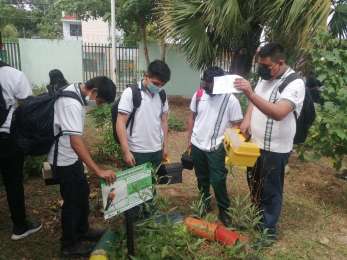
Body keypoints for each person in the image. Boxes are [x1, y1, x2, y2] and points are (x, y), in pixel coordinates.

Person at [234, 43, 305, 244]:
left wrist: (250, 93)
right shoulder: (265, 78)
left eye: (265, 65)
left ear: (279, 63)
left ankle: (268, 230)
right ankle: (257, 219)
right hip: (254, 145)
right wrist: (247, 119)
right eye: (260, 65)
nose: (261, 69)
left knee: (271, 189)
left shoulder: (294, 83)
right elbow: (254, 104)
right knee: (254, 183)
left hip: (276, 149)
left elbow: (279, 113)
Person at [47, 76, 117, 257]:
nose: (99, 105)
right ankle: (69, 244)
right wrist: (98, 170)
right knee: (72, 202)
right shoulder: (72, 103)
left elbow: (77, 138)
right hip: (63, 160)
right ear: (93, 92)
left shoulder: (76, 94)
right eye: (100, 101)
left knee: (82, 194)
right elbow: (75, 142)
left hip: (72, 158)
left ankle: (83, 230)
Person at [187, 67, 243, 227]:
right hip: (197, 144)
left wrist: (234, 147)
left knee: (218, 179)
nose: (207, 87)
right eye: (206, 83)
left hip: (216, 147)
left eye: (211, 85)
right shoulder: (198, 95)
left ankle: (224, 211)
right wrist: (189, 139)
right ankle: (204, 203)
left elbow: (236, 124)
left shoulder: (231, 100)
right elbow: (192, 117)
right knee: (202, 177)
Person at [0, 61, 42, 240]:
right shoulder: (13, 75)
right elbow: (28, 108)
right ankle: (20, 226)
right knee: (13, 182)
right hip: (7, 138)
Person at [116, 60, 171, 169]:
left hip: (156, 151)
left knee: (153, 183)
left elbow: (164, 121)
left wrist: (165, 146)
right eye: (155, 83)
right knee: (137, 185)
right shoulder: (131, 92)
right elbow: (120, 122)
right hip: (137, 151)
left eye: (162, 84)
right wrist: (126, 151)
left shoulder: (162, 95)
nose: (158, 87)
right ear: (146, 76)